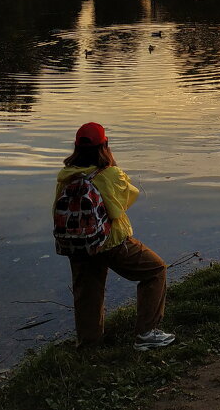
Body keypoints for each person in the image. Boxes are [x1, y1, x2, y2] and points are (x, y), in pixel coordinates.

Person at [54, 122, 175, 350]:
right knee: (156, 270)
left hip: (77, 244)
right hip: (112, 242)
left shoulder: (65, 176)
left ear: (76, 148)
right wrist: (113, 168)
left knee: (87, 292)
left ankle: (89, 345)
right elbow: (128, 199)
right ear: (105, 145)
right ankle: (146, 334)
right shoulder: (111, 174)